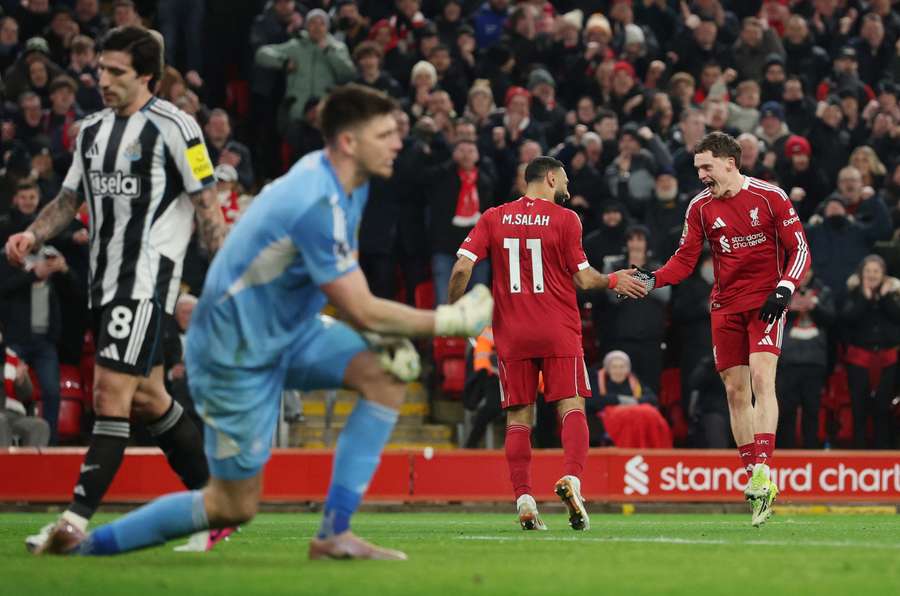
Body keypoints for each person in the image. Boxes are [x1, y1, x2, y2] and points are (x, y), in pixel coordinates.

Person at [38, 84, 493, 559]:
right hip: (233, 351)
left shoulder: (348, 187)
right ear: (348, 142)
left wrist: (381, 333)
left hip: (287, 332)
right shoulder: (315, 198)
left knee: (383, 377)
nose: (397, 142)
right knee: (231, 506)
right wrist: (448, 319)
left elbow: (342, 283)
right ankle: (82, 550)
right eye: (384, 134)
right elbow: (358, 305)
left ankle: (333, 535)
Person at [4, 26, 227, 554]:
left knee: (110, 394)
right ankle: (218, 505)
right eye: (100, 69)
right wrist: (32, 233)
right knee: (150, 398)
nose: (102, 80)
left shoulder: (178, 127)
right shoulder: (91, 132)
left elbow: (207, 206)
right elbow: (67, 200)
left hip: (148, 280)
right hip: (105, 283)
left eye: (115, 72)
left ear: (146, 76)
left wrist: (225, 276)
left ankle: (73, 522)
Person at [447, 156, 646, 532]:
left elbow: (461, 268)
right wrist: (616, 279)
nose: (568, 188)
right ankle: (572, 479)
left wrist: (452, 310)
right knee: (571, 407)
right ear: (551, 178)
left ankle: (523, 498)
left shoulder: (493, 217)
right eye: (566, 180)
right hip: (558, 328)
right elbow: (584, 280)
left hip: (512, 333)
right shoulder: (566, 219)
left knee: (520, 416)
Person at [635, 132, 810, 527]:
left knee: (763, 379)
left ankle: (764, 469)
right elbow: (684, 260)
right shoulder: (699, 208)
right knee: (734, 391)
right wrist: (652, 280)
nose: (700, 175)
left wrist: (784, 289)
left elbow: (799, 248)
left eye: (706, 167)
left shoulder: (770, 196)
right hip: (725, 306)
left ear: (731, 162)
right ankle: (756, 482)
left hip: (766, 303)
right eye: (697, 168)